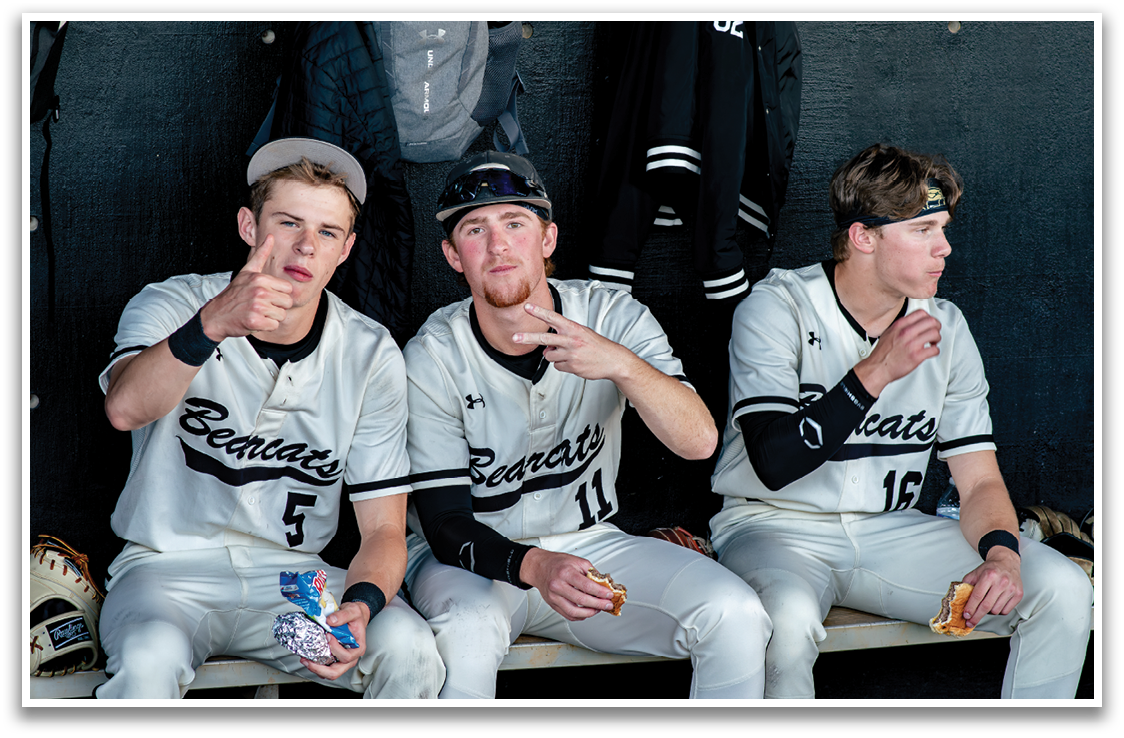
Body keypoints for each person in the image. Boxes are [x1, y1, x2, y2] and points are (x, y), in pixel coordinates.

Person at [708, 142, 1093, 699]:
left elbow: (978, 481)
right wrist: (876, 371)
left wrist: (1003, 557)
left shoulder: (947, 326)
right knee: (784, 620)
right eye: (923, 230)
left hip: (890, 530)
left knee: (1060, 586)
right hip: (773, 527)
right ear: (864, 237)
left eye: (943, 229)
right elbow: (772, 461)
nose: (945, 247)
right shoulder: (778, 307)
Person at [400, 150, 772, 700]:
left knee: (735, 614)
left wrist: (622, 365)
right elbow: (444, 523)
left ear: (547, 239)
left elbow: (699, 442)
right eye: (475, 229)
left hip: (589, 545)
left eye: (515, 223)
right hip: (468, 564)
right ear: (454, 256)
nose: (498, 244)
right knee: (468, 634)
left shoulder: (611, 316)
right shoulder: (433, 355)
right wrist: (534, 566)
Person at [95, 137, 444, 698]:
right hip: (165, 571)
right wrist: (211, 324)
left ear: (346, 249)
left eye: (327, 232)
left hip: (293, 583)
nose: (306, 246)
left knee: (407, 645)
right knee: (149, 658)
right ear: (248, 226)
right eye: (288, 223)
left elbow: (383, 529)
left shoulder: (369, 350)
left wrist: (361, 604)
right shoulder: (174, 304)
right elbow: (124, 408)